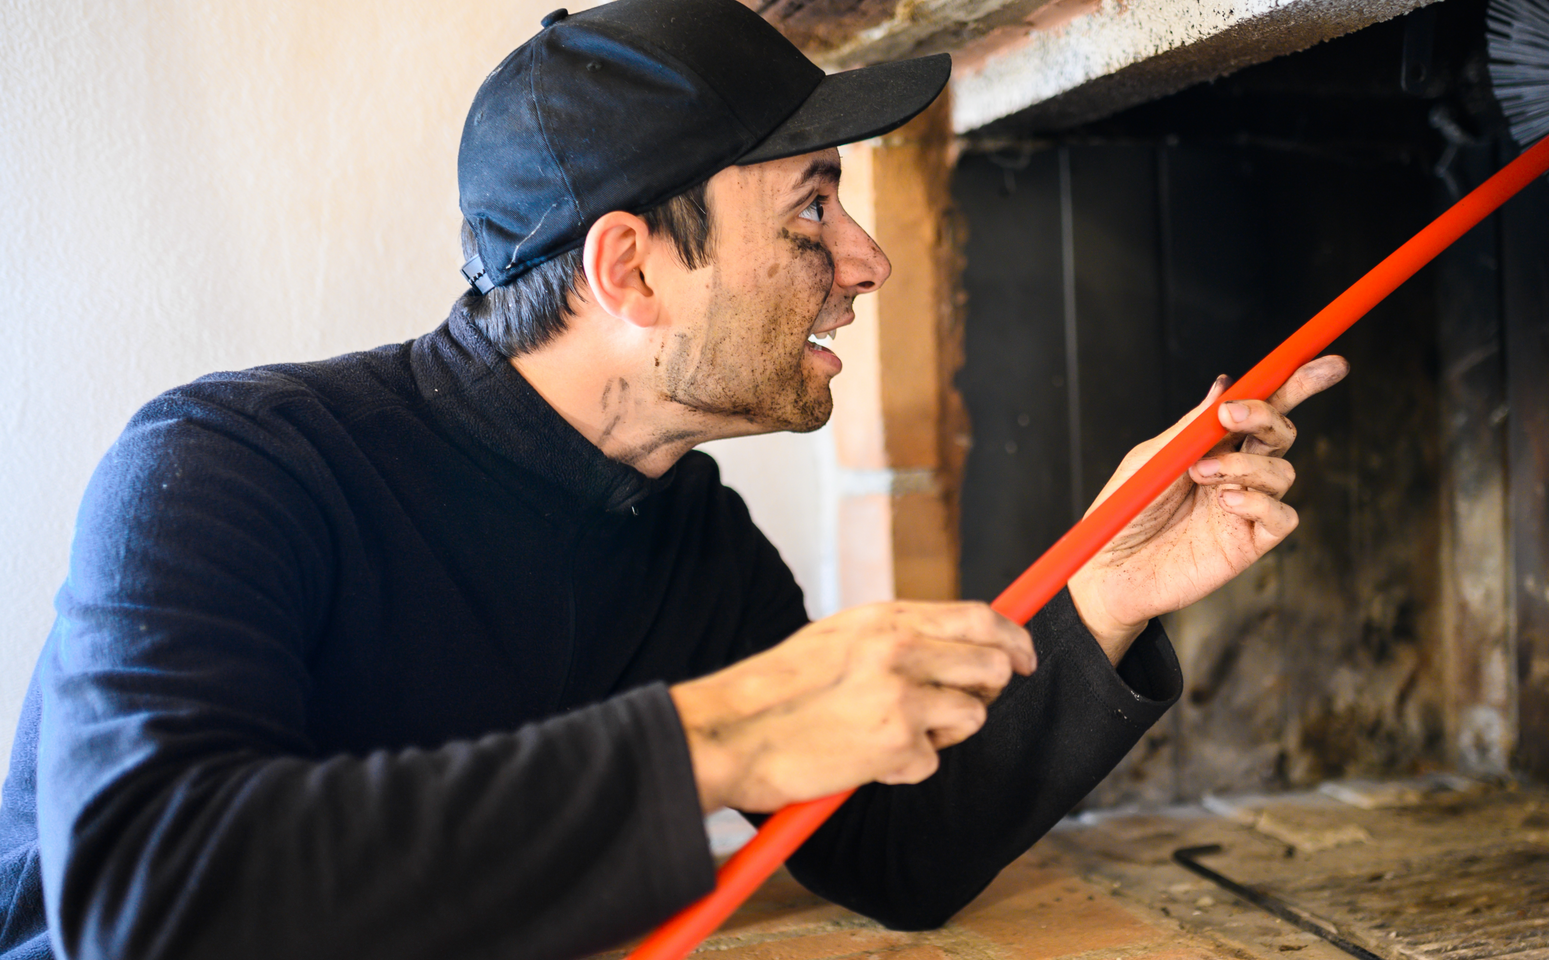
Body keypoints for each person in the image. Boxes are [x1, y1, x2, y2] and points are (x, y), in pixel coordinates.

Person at [0, 1, 1348, 958]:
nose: (865, 259)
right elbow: (148, 902)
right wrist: (725, 731)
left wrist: (1106, 593)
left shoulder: (683, 533)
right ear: (631, 271)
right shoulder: (224, 468)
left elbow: (893, 852)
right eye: (812, 209)